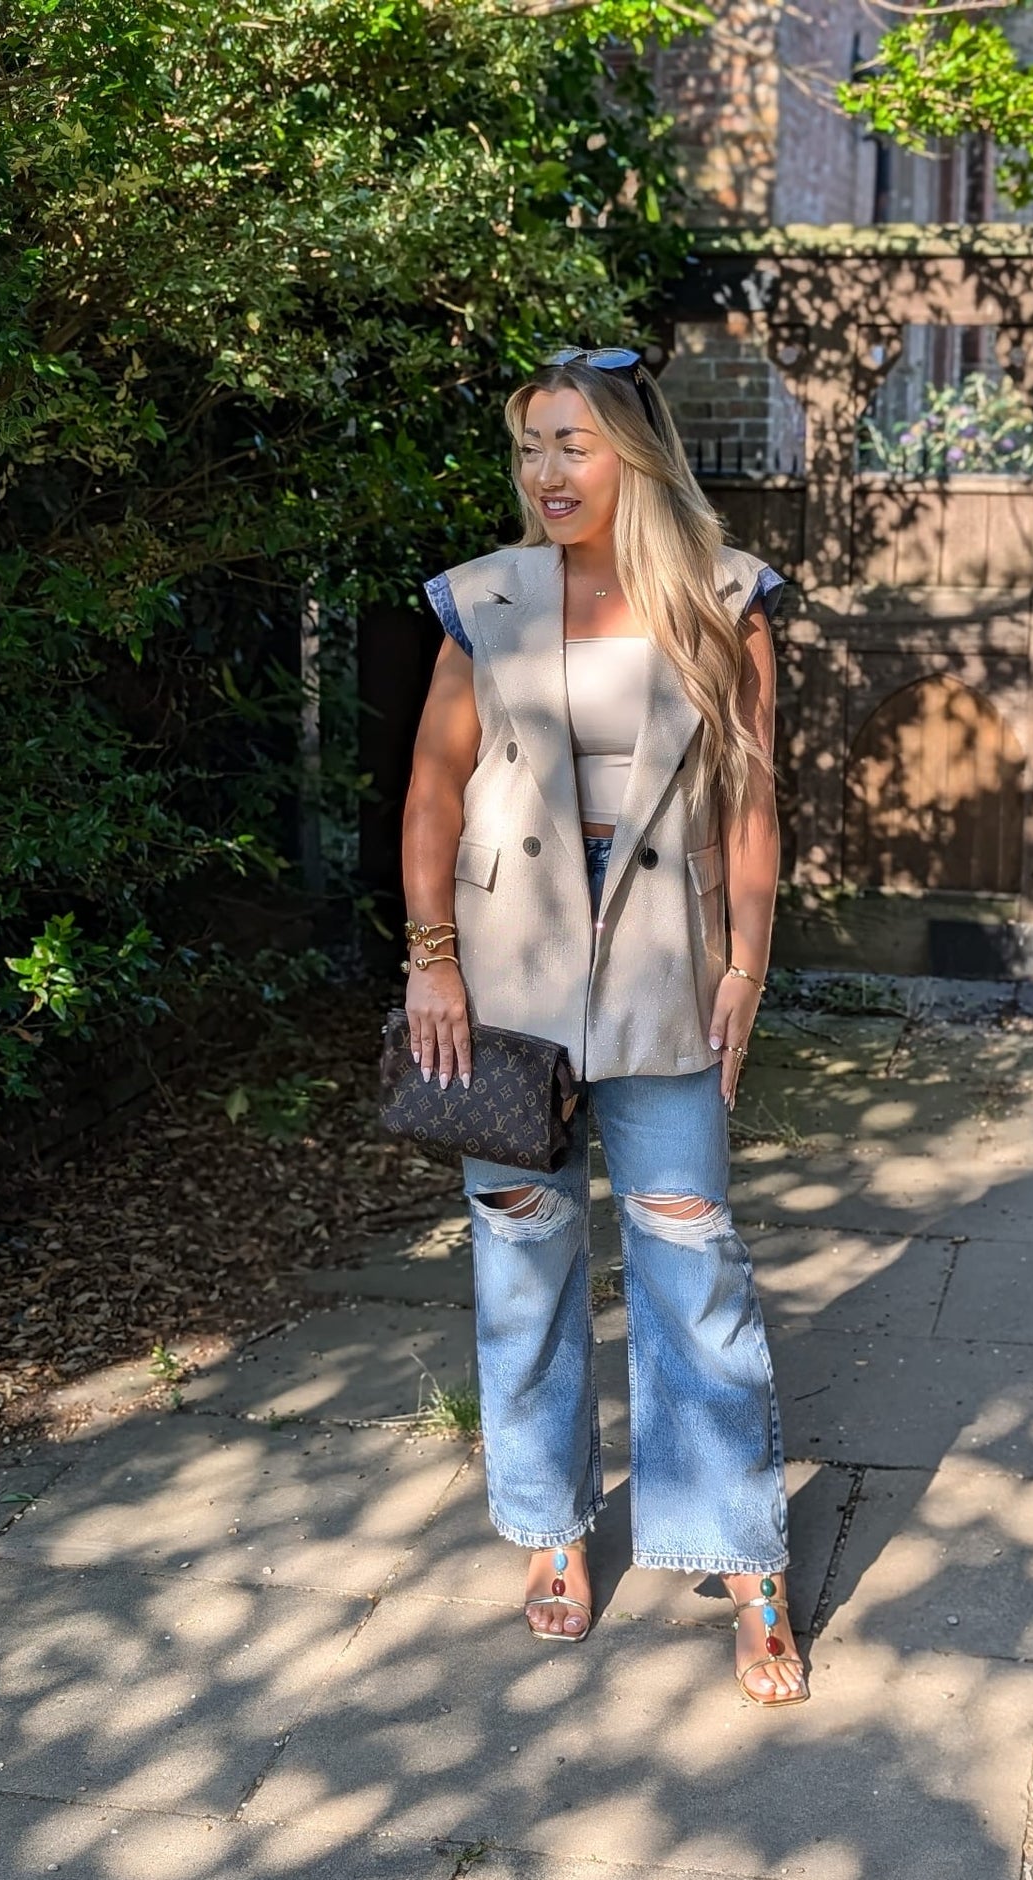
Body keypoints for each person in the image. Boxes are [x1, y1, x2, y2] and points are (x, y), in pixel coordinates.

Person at [401, 346, 807, 1706]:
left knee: (691, 1257)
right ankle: (552, 1531)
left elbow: (752, 806)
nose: (546, 475)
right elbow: (431, 792)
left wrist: (748, 965)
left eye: (570, 444)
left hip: (664, 969)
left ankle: (741, 1556)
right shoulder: (485, 599)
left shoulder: (719, 595)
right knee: (522, 1252)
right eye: (527, 449)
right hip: (507, 974)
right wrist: (430, 960)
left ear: (631, 450)